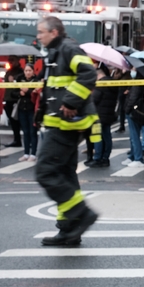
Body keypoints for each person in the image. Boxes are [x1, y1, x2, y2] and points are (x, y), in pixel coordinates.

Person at [34, 16, 99, 246]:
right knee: (65, 175)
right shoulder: (55, 51)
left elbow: (88, 74)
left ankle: (82, 213)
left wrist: (71, 103)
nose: (38, 36)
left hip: (68, 123)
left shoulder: (69, 48)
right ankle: (69, 230)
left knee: (46, 172)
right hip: (59, 122)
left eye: (41, 32)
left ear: (54, 32)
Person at [90, 65, 119, 167]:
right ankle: (105, 158)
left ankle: (97, 158)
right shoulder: (112, 83)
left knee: (98, 137)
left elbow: (94, 100)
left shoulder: (100, 84)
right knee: (107, 136)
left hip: (99, 114)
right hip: (108, 114)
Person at [123, 66, 144, 168]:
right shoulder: (142, 80)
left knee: (134, 136)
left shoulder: (138, 82)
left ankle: (138, 158)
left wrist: (127, 109)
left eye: (134, 69)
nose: (132, 71)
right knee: (134, 136)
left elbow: (133, 97)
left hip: (134, 111)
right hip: (138, 111)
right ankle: (133, 156)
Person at [16, 63, 40, 162]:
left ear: (33, 71)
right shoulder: (20, 80)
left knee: (32, 132)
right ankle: (26, 153)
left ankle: (33, 154)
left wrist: (27, 91)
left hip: (32, 109)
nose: (28, 72)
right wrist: (19, 93)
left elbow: (37, 93)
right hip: (22, 108)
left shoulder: (36, 81)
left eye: (30, 70)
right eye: (26, 71)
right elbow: (13, 92)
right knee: (25, 132)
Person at [3, 55, 24, 148]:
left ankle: (25, 140)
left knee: (19, 121)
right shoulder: (9, 72)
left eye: (12, 60)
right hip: (8, 99)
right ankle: (17, 139)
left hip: (16, 99)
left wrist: (15, 80)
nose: (10, 62)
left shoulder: (21, 72)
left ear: (17, 61)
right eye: (9, 60)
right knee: (12, 121)